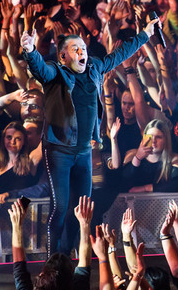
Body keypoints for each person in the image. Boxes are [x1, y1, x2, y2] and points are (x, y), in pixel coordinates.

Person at [20, 16, 160, 254]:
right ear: (63, 56)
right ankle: (54, 260)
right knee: (60, 208)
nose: (82, 52)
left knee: (83, 209)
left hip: (84, 151)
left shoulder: (94, 66)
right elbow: (39, 68)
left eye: (83, 48)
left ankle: (71, 254)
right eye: (75, 49)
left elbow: (120, 53)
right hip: (59, 151)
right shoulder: (56, 72)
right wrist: (30, 50)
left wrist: (146, 33)